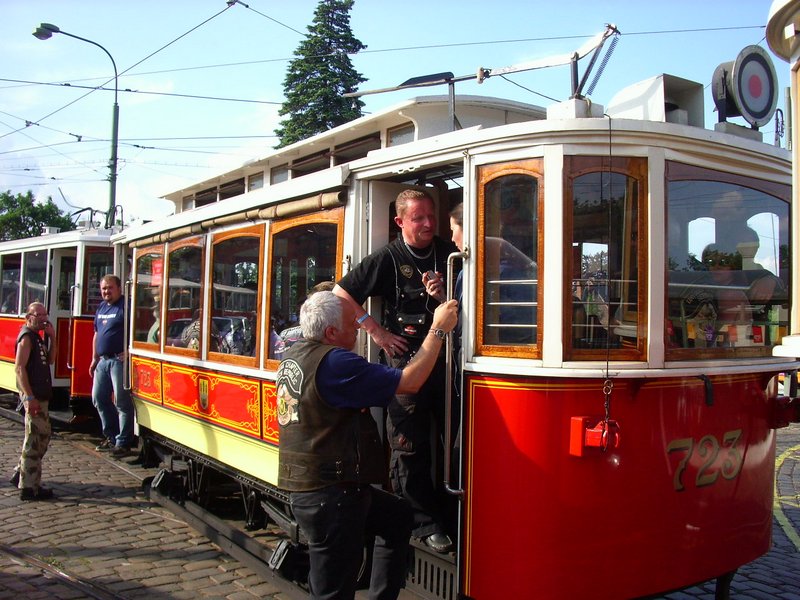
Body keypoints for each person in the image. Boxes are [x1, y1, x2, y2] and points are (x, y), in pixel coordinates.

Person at [277, 291, 458, 599]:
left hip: (311, 487)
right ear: (331, 332)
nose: (358, 328)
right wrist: (438, 330)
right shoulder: (336, 362)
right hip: (332, 494)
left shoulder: (293, 356)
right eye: (352, 324)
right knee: (333, 591)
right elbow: (410, 382)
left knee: (398, 516)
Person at [334, 188, 458, 553]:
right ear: (400, 221)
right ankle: (421, 523)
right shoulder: (387, 258)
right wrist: (378, 332)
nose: (428, 224)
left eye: (431, 216)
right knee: (409, 445)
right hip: (404, 365)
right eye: (418, 218)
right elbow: (341, 295)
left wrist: (442, 295)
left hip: (446, 362)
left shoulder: (448, 252)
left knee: (452, 440)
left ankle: (453, 514)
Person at [13, 302, 57, 501]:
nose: (42, 318)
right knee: (34, 440)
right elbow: (19, 368)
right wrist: (29, 397)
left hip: (41, 396)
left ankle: (21, 473)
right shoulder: (26, 337)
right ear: (28, 317)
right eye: (37, 315)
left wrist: (53, 337)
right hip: (34, 396)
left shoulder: (38, 337)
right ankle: (29, 488)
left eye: (44, 314)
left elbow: (51, 360)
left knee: (43, 437)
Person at [90, 275, 135, 458]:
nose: (106, 291)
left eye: (110, 288)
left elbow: (137, 330)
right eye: (104, 289)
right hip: (103, 360)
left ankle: (123, 442)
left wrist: (130, 351)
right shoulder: (101, 307)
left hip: (118, 360)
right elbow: (96, 333)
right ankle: (111, 435)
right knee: (98, 398)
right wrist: (94, 358)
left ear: (119, 288)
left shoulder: (126, 306)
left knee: (122, 402)